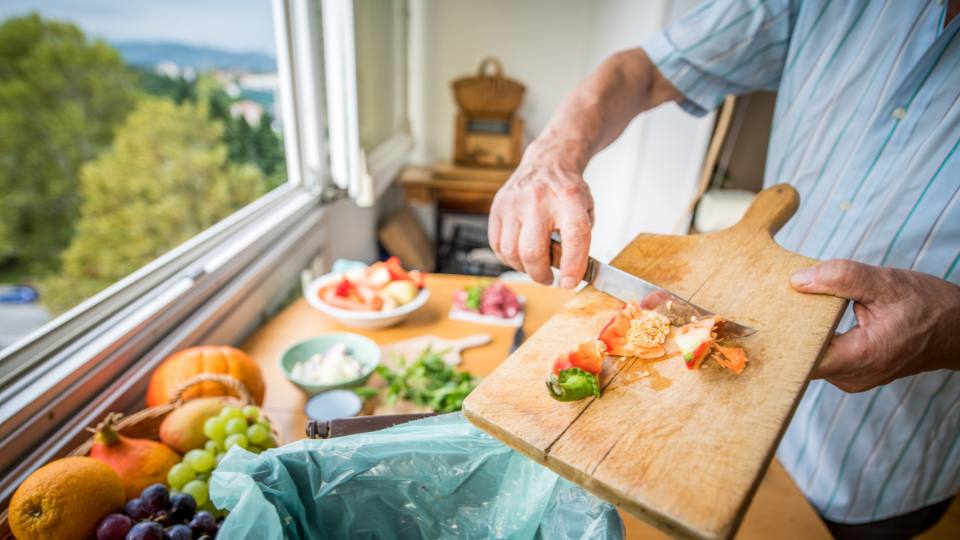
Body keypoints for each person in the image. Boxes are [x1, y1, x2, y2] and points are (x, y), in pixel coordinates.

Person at [488, 1, 960, 537]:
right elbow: (636, 72)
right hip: (709, 430)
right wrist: (549, 155)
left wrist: (950, 327)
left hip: (873, 464)